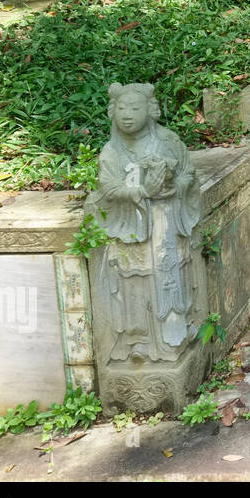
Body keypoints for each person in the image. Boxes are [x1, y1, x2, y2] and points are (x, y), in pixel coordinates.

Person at [86, 83, 201, 362]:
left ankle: (174, 336)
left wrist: (177, 186)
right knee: (133, 280)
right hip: (131, 227)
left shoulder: (168, 141)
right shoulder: (111, 152)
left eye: (135, 108)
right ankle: (138, 341)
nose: (128, 115)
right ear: (113, 113)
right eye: (122, 109)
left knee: (169, 280)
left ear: (150, 111)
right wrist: (140, 192)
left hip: (168, 226)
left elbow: (189, 173)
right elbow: (107, 187)